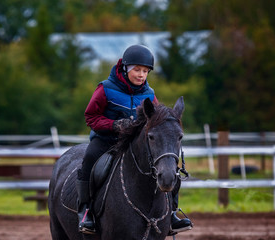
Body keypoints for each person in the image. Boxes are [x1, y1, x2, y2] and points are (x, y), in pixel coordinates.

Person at [76, 44, 192, 235]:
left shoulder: (149, 94)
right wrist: (114, 125)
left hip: (135, 144)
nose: (141, 75)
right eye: (137, 70)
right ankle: (86, 212)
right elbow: (91, 117)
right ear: (125, 68)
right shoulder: (105, 89)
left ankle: (171, 213)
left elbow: (156, 119)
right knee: (89, 160)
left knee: (170, 168)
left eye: (145, 71)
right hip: (106, 140)